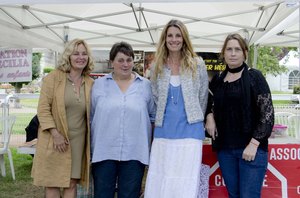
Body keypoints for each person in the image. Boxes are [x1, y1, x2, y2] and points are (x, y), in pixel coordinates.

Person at [144, 19, 209, 198]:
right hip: (164, 131)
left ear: (184, 38)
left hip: (190, 132)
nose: (174, 39)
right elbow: (155, 97)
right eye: (170, 35)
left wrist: (196, 117)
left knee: (186, 181)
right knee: (161, 179)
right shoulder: (157, 65)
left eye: (178, 35)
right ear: (164, 39)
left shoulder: (197, 64)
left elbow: (203, 97)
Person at [205, 33, 274, 198]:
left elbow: (267, 114)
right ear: (224, 53)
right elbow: (207, 102)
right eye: (229, 49)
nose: (233, 53)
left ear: (245, 53)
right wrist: (209, 116)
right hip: (225, 149)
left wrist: (254, 144)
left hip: (251, 150)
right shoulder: (218, 80)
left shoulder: (254, 77)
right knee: (234, 195)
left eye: (237, 49)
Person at [90, 41, 156, 198]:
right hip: (104, 152)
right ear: (111, 62)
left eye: (129, 60)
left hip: (135, 153)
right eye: (120, 60)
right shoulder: (98, 85)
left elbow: (152, 117)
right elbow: (91, 117)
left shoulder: (146, 86)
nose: (125, 64)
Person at [31, 38, 94, 198]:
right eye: (76, 54)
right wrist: (55, 134)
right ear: (68, 56)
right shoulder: (53, 78)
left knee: (71, 182)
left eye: (84, 54)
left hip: (78, 141)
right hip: (55, 139)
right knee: (52, 182)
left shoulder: (91, 82)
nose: (80, 57)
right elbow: (43, 109)